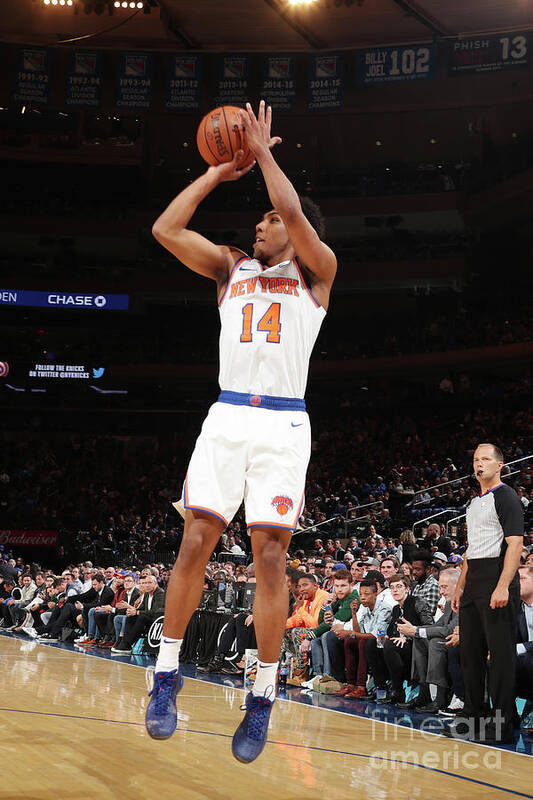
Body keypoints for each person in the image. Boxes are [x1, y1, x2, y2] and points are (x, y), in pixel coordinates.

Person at [144, 100, 337, 764]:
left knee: (271, 558)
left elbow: (289, 211)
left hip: (284, 422)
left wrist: (265, 155)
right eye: (258, 217)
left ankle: (260, 695)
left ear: (294, 226)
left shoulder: (317, 272)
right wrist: (216, 177)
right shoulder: (230, 268)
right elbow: (165, 228)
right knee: (196, 537)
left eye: (270, 218)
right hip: (228, 415)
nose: (261, 224)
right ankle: (164, 674)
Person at [447, 443, 524, 744]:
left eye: (485, 459)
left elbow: (515, 544)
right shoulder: (473, 502)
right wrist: (460, 584)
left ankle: (502, 723)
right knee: (470, 654)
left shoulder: (506, 497)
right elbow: (472, 547)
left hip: (497, 577)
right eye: (476, 459)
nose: (479, 464)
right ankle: (473, 716)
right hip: (474, 579)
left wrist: (503, 585)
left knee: (501, 656)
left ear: (499, 465)